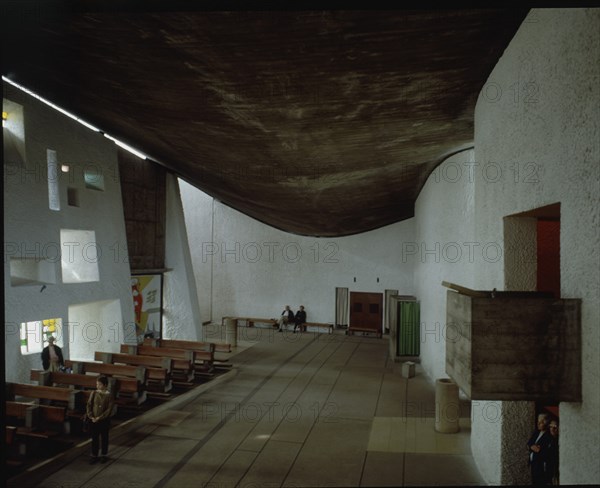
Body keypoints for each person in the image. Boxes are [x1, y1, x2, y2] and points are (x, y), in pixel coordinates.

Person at [87, 375, 115, 464]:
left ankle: (104, 454)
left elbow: (109, 409)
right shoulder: (94, 393)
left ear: (105, 385)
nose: (97, 386)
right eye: (97, 384)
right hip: (94, 419)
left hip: (104, 420)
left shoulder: (109, 395)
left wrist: (100, 417)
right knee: (94, 438)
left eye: (99, 384)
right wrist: (91, 416)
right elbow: (89, 405)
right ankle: (94, 455)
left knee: (104, 438)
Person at [527, 413, 552, 485]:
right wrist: (532, 447)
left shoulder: (549, 435)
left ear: (546, 422)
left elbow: (547, 452)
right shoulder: (536, 432)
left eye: (541, 422)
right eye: (538, 421)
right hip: (533, 464)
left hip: (541, 466)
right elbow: (529, 443)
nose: (538, 423)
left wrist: (538, 449)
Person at [545, 419, 559, 485]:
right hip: (549, 469)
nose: (552, 429)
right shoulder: (547, 439)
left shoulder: (560, 440)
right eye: (550, 427)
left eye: (555, 427)